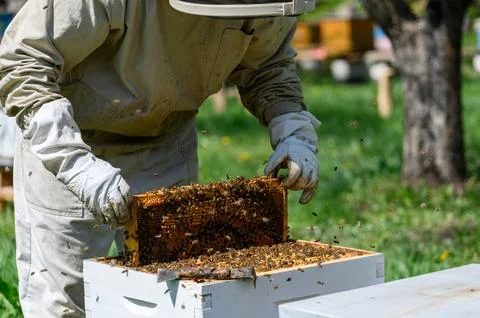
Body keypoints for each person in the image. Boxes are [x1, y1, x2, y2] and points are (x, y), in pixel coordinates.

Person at [0, 1, 320, 317]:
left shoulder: (265, 3)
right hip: (74, 142)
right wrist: (75, 164)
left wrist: (292, 126)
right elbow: (23, 61)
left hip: (167, 143)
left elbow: (267, 66)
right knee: (64, 303)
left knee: (171, 297)